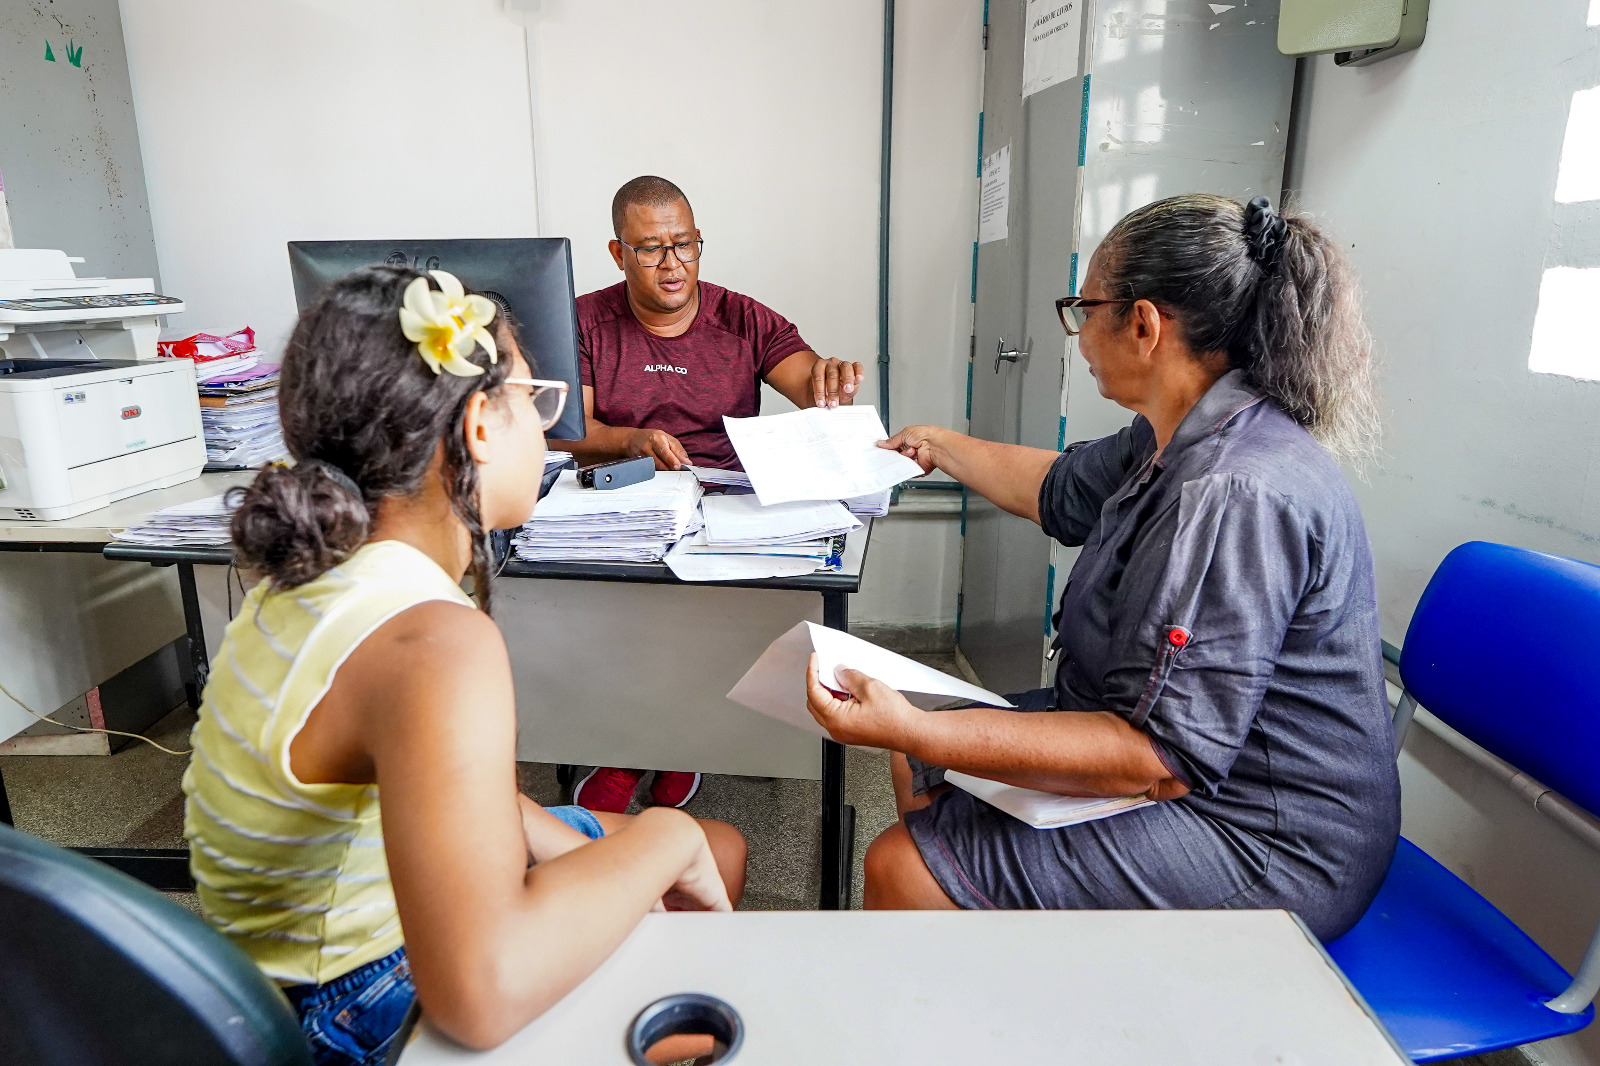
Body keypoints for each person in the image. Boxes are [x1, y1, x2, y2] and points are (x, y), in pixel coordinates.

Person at [183, 265, 747, 1065]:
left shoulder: (313, 575)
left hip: (271, 977)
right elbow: (479, 994)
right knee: (692, 880)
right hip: (348, 1003)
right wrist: (666, 832)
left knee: (713, 851)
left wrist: (587, 849)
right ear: (480, 425)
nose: (547, 430)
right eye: (534, 400)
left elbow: (441, 785)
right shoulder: (434, 642)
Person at [804, 194, 1399, 942]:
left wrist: (917, 726)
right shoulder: (1180, 427)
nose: (1078, 332)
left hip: (1266, 835)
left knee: (903, 863)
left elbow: (1156, 761)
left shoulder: (1231, 492)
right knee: (917, 761)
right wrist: (937, 445)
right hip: (1182, 761)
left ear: (1144, 325)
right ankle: (1001, 964)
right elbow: (1060, 489)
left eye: (1084, 308)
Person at [558, 174, 865, 813]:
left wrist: (828, 378)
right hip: (627, 498)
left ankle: (680, 746)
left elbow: (809, 382)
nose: (673, 265)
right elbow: (573, 431)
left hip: (724, 505)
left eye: (686, 245)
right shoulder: (586, 320)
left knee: (708, 619)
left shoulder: (742, 317)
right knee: (613, 617)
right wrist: (631, 440)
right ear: (618, 254)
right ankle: (630, 748)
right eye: (650, 250)